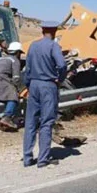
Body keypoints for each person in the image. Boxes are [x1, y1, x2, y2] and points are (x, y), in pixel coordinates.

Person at [23, 21, 67, 168]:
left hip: (34, 84)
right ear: (54, 31)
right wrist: (59, 79)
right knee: (46, 122)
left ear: (42, 30)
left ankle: (27, 158)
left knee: (30, 122)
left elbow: (27, 68)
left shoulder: (33, 45)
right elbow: (62, 65)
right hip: (48, 85)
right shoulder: (54, 46)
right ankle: (43, 159)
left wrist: (28, 84)